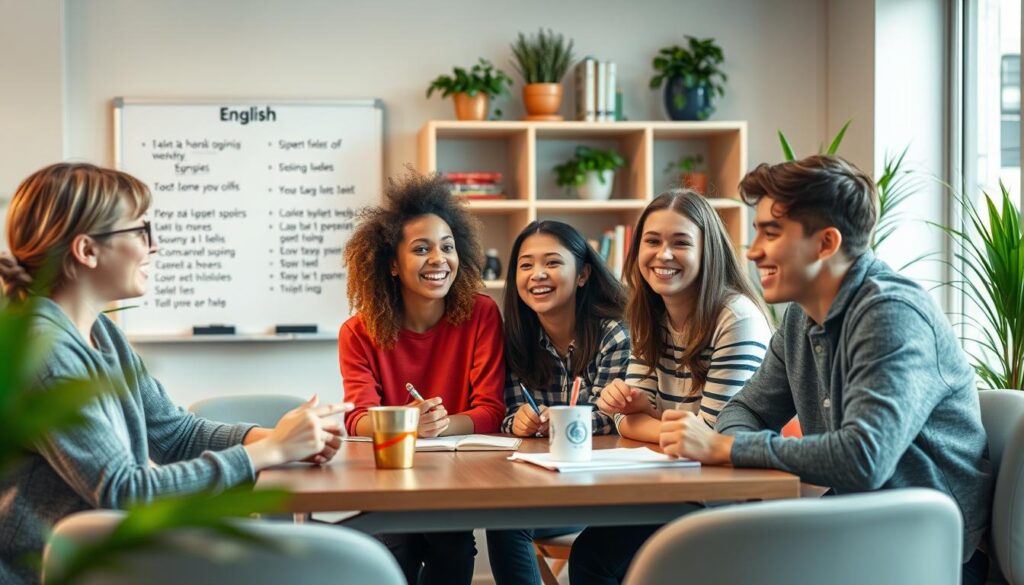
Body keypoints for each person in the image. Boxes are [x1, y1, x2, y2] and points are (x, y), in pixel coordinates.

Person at [0, 163, 346, 585]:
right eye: (140, 232)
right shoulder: (45, 350)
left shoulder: (101, 332)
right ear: (87, 250)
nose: (155, 246)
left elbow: (174, 433)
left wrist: (282, 439)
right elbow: (125, 492)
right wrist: (270, 452)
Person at [658, 155, 994, 585]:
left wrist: (726, 449)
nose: (754, 250)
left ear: (826, 244)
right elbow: (747, 409)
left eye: (771, 232)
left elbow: (863, 457)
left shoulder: (890, 315)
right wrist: (733, 441)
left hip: (926, 552)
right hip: (858, 527)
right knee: (694, 559)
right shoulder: (801, 317)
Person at [570, 189, 771, 584]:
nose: (663, 255)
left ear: (707, 251)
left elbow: (713, 439)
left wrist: (651, 416)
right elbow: (626, 422)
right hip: (670, 490)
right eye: (652, 241)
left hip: (724, 497)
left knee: (599, 559)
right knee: (593, 552)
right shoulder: (651, 314)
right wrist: (654, 419)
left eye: (681, 242)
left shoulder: (736, 319)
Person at [339, 172, 505, 585]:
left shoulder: (481, 314)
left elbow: (491, 411)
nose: (439, 259)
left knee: (450, 544)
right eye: (421, 249)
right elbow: (356, 418)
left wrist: (439, 426)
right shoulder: (358, 333)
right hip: (388, 482)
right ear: (393, 265)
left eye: (447, 247)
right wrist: (408, 423)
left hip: (454, 483)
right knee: (395, 541)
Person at [486, 220, 629, 585]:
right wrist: (518, 421)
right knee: (504, 523)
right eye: (526, 265)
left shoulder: (612, 334)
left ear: (582, 275)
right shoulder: (516, 337)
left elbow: (616, 416)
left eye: (551, 262)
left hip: (609, 490)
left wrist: (566, 420)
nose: (537, 275)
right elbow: (509, 411)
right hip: (549, 488)